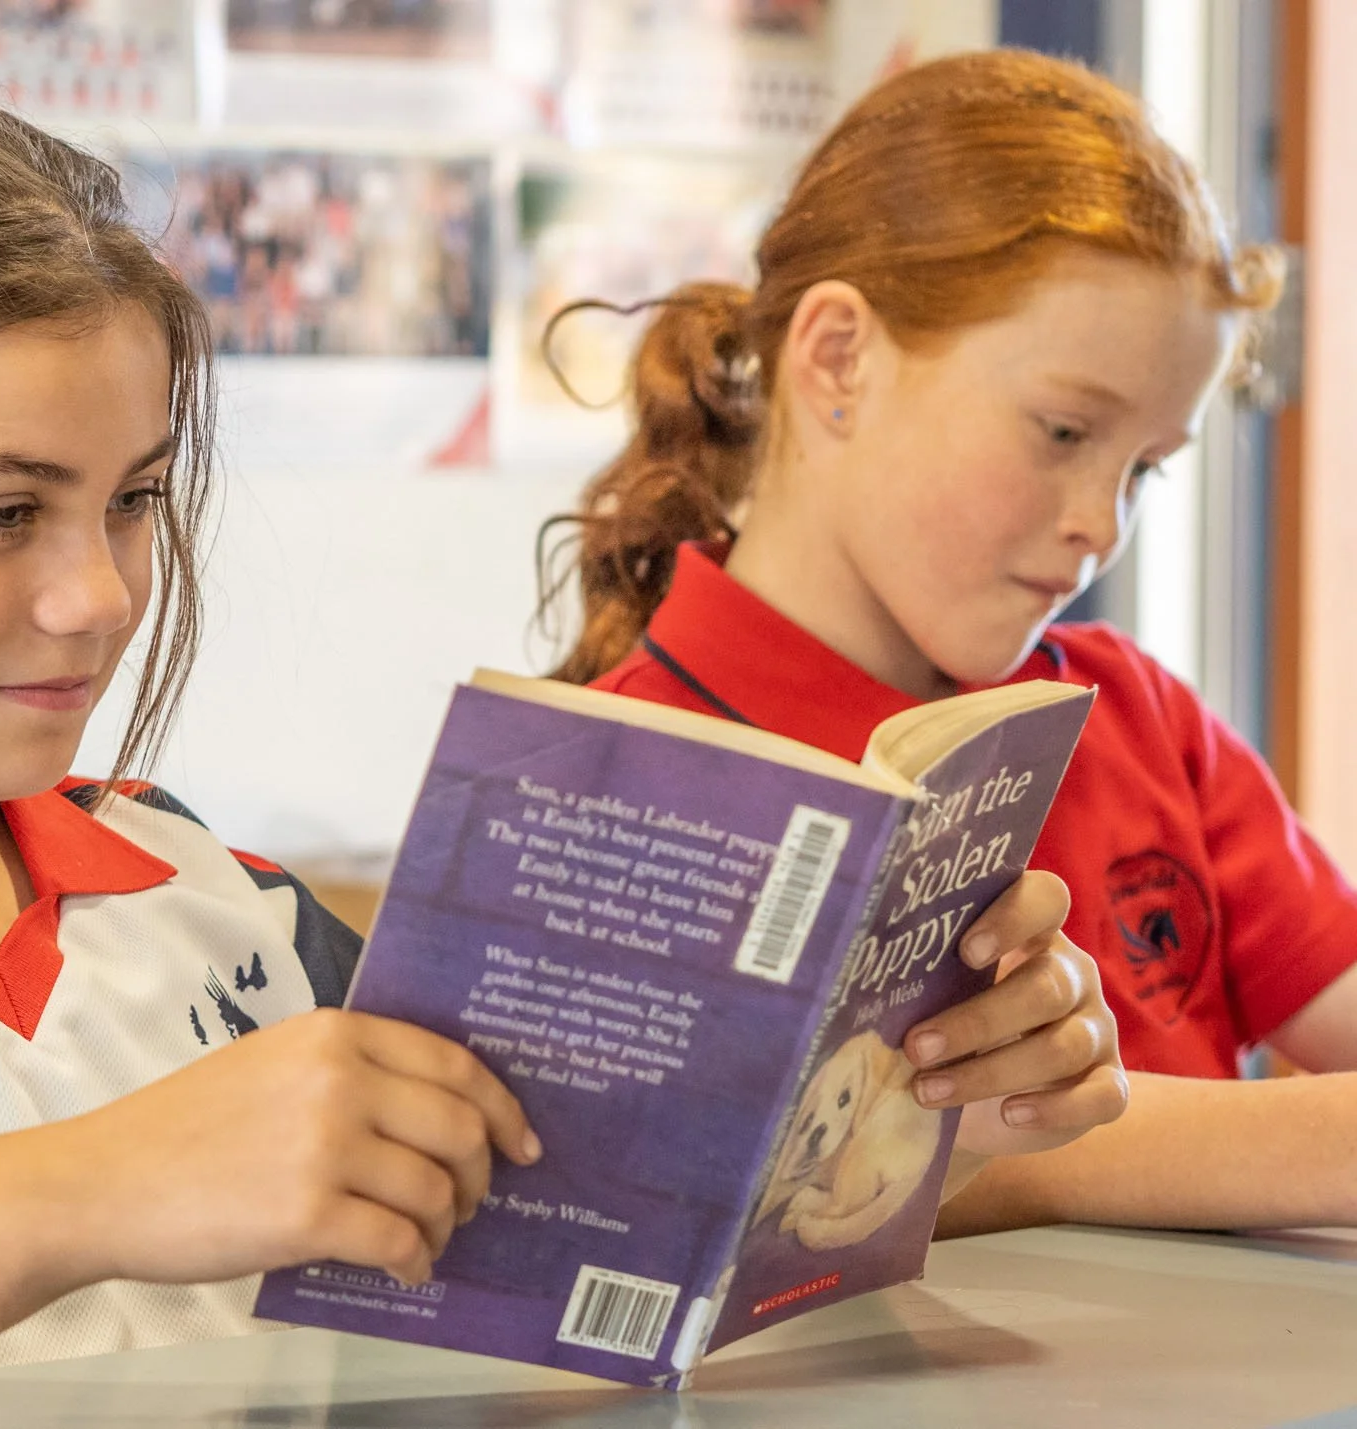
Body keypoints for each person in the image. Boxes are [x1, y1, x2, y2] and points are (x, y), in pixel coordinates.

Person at [0, 84, 1119, 1427]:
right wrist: (99, 1184)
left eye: (130, 501)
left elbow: (578, 1230)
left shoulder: (217, 901)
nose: (98, 591)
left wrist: (917, 1103)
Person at [539, 48, 1356, 1238]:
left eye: (1141, 469)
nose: (1098, 523)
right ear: (836, 360)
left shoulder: (1142, 717)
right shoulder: (614, 789)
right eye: (1062, 429)